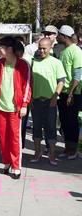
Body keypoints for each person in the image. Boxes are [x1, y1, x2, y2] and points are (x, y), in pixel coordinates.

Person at [0, 36, 32, 179]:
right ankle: (6, 162)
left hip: (15, 109)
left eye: (1, 47)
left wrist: (24, 104)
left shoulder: (23, 65)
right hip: (1, 107)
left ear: (9, 49)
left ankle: (16, 166)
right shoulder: (0, 63)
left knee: (15, 139)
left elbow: (27, 86)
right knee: (3, 138)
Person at [30, 38, 66, 166]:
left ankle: (51, 154)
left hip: (50, 101)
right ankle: (37, 152)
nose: (42, 50)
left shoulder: (56, 62)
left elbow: (61, 81)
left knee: (51, 127)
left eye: (44, 48)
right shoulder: (33, 63)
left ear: (50, 48)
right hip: (36, 101)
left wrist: (55, 96)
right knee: (36, 127)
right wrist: (30, 98)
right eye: (40, 48)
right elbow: (29, 82)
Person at [56, 25, 82, 160]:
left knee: (72, 122)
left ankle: (73, 150)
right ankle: (67, 147)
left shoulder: (76, 51)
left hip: (73, 93)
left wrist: (71, 93)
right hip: (63, 93)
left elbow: (77, 75)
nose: (57, 37)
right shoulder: (64, 50)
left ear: (64, 36)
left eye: (59, 34)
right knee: (64, 121)